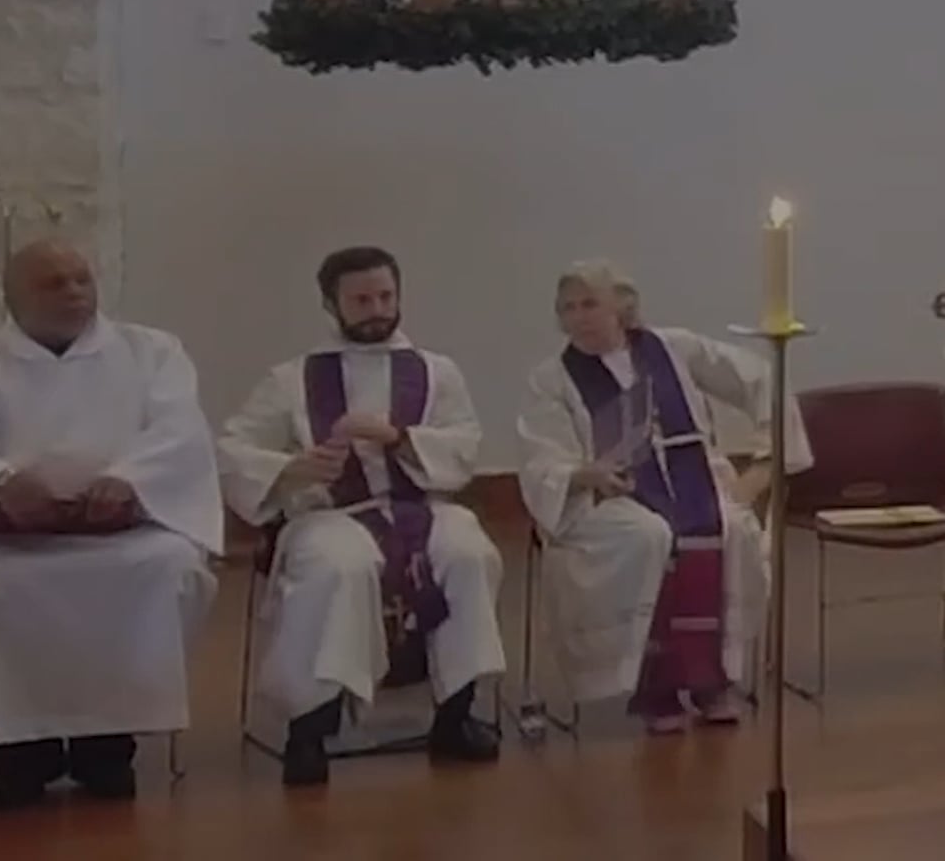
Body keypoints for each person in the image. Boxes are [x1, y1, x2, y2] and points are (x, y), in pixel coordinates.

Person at [219, 246, 505, 787]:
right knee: (339, 566)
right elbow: (234, 449)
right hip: (331, 513)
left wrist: (400, 439)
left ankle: (455, 714)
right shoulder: (291, 379)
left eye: (385, 297)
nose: (377, 310)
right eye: (361, 300)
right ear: (331, 305)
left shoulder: (436, 372)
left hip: (420, 507)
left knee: (469, 552)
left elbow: (464, 445)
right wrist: (293, 469)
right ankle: (310, 728)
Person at [0, 241, 223, 813]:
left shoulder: (152, 351)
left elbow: (180, 429)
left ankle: (108, 746)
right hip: (11, 539)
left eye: (81, 280)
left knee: (169, 569)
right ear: (13, 299)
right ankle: (19, 753)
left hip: (122, 532)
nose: (74, 293)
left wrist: (129, 480)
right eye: (54, 284)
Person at [518, 261, 811, 733]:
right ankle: (655, 685)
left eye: (590, 304)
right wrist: (585, 473)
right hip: (605, 496)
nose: (579, 317)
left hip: (691, 477)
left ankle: (711, 679)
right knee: (648, 536)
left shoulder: (672, 348)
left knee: (731, 528)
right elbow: (543, 456)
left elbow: (760, 379)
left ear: (621, 306)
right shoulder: (552, 378)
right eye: (568, 308)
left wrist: (766, 462)